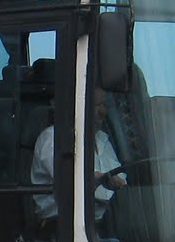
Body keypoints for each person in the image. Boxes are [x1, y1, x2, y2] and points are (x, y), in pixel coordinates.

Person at [30, 92, 126, 233]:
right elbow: (70, 179)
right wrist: (100, 179)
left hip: (103, 223)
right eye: (97, 105)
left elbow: (120, 177)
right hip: (62, 228)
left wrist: (113, 182)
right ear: (77, 106)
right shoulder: (54, 137)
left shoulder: (102, 138)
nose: (103, 112)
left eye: (104, 105)